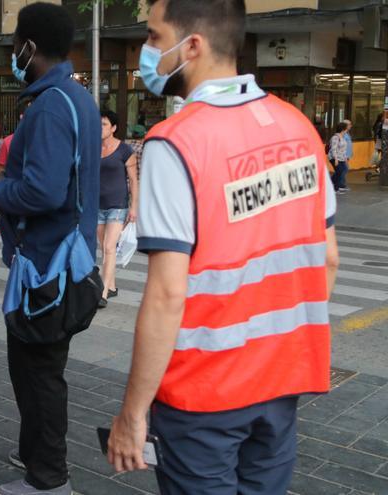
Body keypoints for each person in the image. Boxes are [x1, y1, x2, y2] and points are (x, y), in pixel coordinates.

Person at [106, 3, 340, 495]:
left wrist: (133, 412)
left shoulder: (175, 142)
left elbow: (167, 295)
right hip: (282, 381)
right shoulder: (299, 127)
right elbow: (328, 258)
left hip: (203, 393)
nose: (147, 51)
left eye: (154, 36)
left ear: (192, 45)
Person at [0, 4, 100, 494]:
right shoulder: (76, 98)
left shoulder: (52, 105)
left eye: (15, 44)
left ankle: (49, 480)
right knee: (38, 368)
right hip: (64, 262)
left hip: (47, 270)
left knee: (38, 374)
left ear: (29, 47)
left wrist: (1, 192)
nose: (12, 52)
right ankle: (35, 455)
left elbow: (43, 191)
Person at [97, 110, 138, 309]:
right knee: (104, 248)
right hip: (97, 206)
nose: (100, 128)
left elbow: (134, 181)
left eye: (104, 124)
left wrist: (133, 207)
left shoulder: (125, 150)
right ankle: (112, 286)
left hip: (117, 206)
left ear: (113, 128)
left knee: (109, 247)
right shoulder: (92, 148)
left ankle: (103, 292)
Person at [329, 121, 350, 193]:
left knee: (344, 169)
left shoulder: (343, 138)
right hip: (334, 157)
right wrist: (335, 159)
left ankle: (333, 183)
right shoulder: (335, 137)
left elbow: (343, 150)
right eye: (346, 129)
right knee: (339, 171)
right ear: (343, 129)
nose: (347, 130)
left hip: (341, 158)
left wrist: (345, 158)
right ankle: (335, 187)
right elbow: (333, 149)